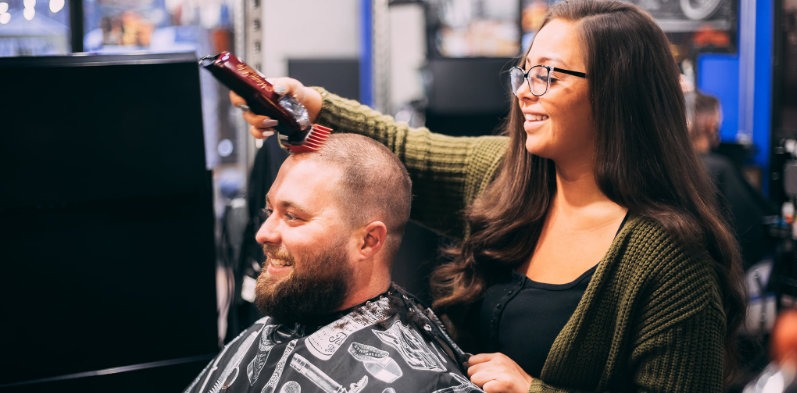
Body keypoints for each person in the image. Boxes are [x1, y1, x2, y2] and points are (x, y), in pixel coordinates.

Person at [233, 1, 746, 391]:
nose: (524, 90)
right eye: (526, 71)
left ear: (618, 92)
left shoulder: (673, 261)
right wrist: (310, 104)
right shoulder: (508, 178)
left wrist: (532, 389)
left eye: (548, 75)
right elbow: (406, 150)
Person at [185, 133, 483, 392]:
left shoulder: (425, 382)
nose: (263, 234)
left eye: (292, 216)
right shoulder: (267, 330)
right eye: (269, 211)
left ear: (368, 241)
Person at [688, 91, 776, 270]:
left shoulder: (678, 165)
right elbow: (752, 225)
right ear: (710, 124)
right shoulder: (720, 168)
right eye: (718, 117)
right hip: (724, 267)